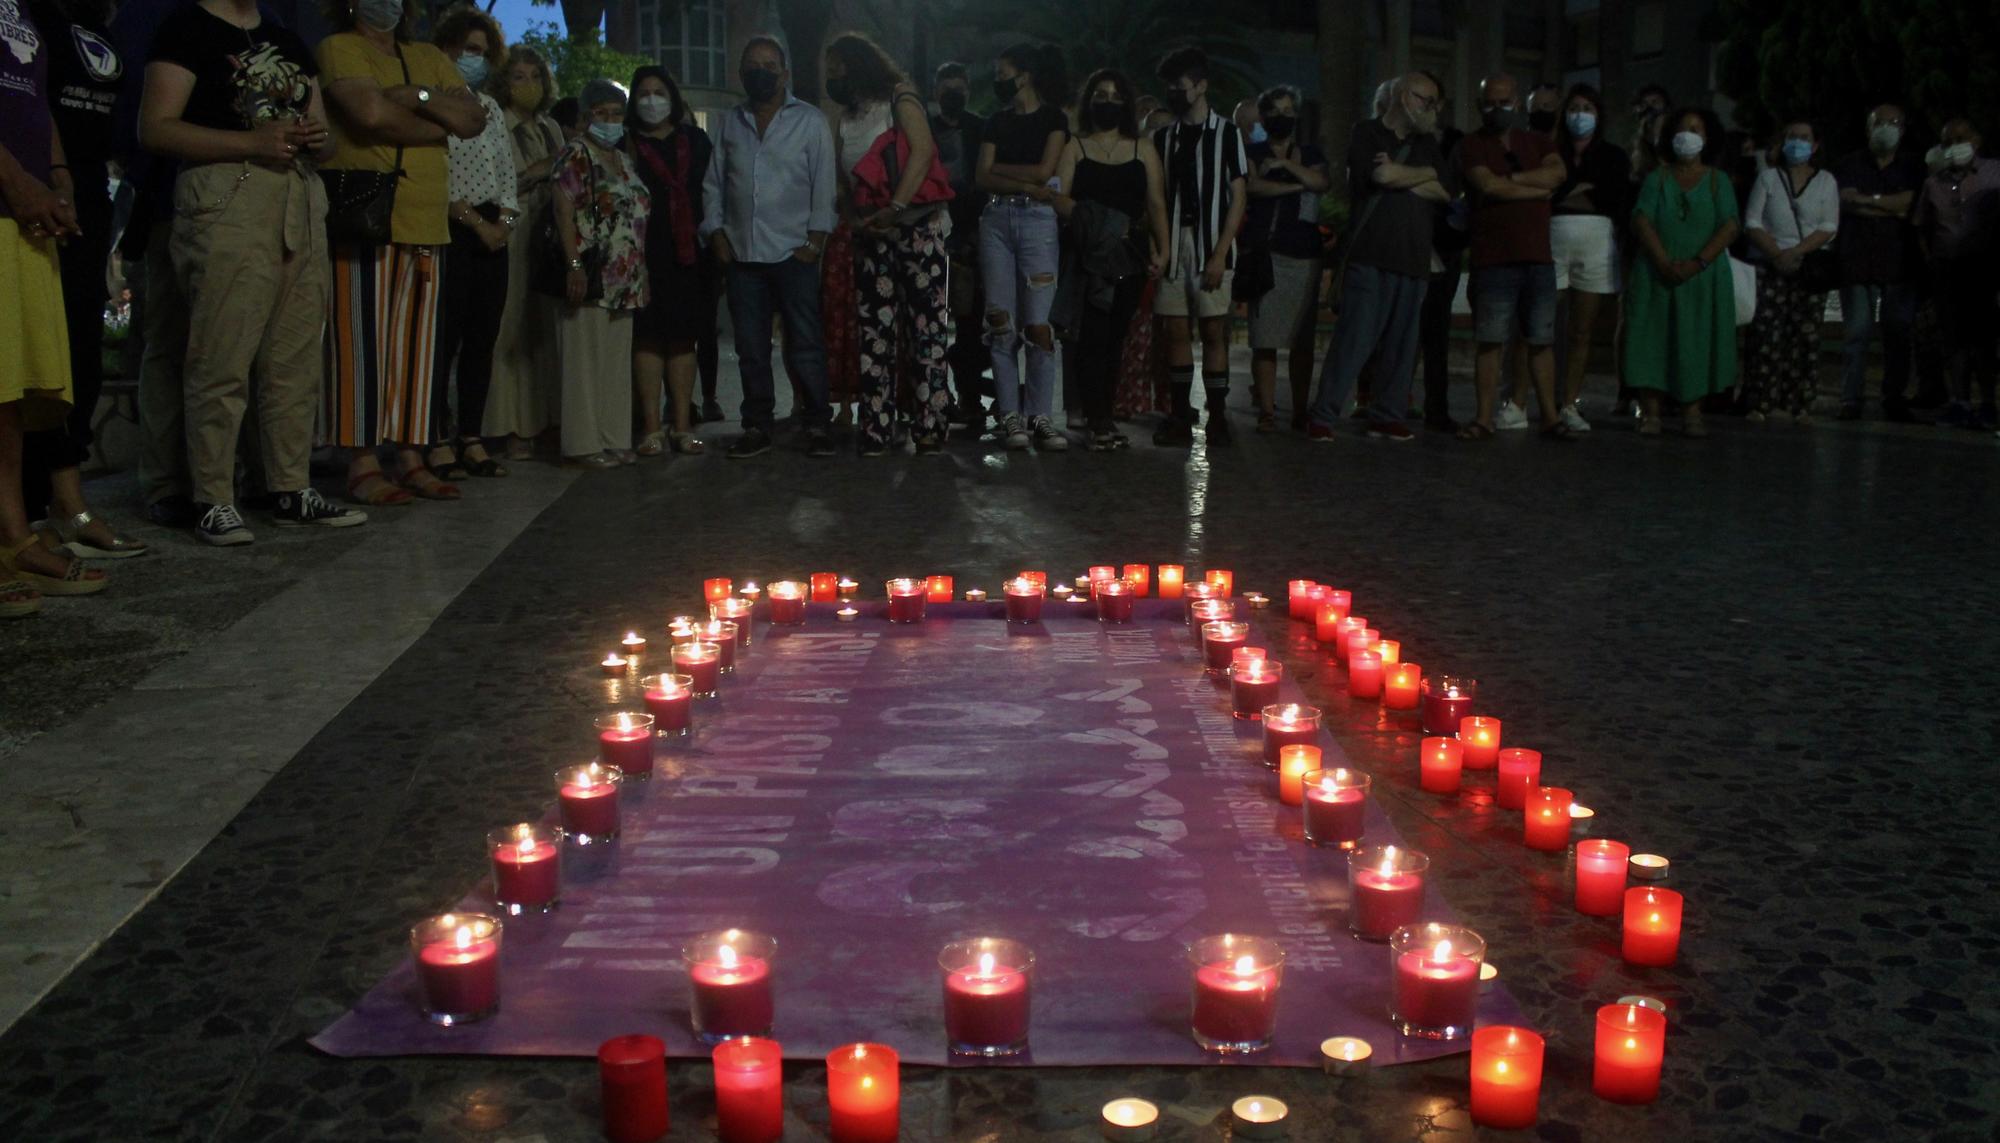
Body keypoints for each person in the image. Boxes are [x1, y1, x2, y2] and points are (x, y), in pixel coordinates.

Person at [138, 0, 369, 545]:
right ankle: (212, 496)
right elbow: (156, 127)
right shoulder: (186, 28)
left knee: (292, 358)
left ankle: (290, 486)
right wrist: (250, 142)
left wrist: (318, 137)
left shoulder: (286, 39)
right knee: (220, 355)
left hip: (298, 200)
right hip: (228, 195)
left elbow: (329, 137)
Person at [317, 0, 488, 504]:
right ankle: (363, 462)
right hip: (366, 217)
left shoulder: (428, 56)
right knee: (361, 345)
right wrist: (435, 116)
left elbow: (472, 120)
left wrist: (411, 96)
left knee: (416, 351)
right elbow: (368, 114)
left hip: (425, 220)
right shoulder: (339, 47)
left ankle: (412, 456)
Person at [22, 0, 147, 557]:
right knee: (43, 353)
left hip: (92, 190)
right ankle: (37, 507)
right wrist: (53, 175)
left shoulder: (100, 19)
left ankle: (67, 504)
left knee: (80, 351)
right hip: (38, 186)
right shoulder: (30, 12)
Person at [2, 0, 106, 613]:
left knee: (10, 388)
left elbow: (29, 95)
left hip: (25, 212)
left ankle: (12, 533)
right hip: (9, 196)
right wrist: (15, 179)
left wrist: (58, 174)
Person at [701, 34, 838, 459]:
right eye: (751, 65)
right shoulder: (729, 122)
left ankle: (816, 423)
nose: (759, 72)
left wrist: (816, 241)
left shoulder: (809, 121)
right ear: (742, 73)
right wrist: (717, 233)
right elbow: (713, 185)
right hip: (743, 255)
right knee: (751, 349)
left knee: (805, 344)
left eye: (768, 65)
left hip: (794, 252)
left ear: (784, 73)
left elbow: (824, 187)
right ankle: (757, 425)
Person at [825, 32, 953, 456]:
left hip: (916, 228)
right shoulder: (847, 118)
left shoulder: (901, 98)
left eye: (837, 68)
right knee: (875, 335)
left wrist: (895, 208)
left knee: (926, 331)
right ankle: (877, 427)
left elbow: (921, 152)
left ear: (858, 64)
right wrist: (857, 219)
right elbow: (846, 181)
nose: (832, 77)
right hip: (872, 235)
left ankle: (929, 424)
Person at [1305, 72, 1449, 441]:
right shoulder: (1366, 132)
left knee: (1403, 345)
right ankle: (1323, 415)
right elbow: (1379, 176)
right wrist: (1420, 177)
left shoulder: (1428, 143)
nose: (1430, 108)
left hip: (1414, 258)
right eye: (1424, 99)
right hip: (1370, 255)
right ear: (1403, 97)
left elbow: (1446, 189)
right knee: (1355, 339)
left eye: (1435, 102)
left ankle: (1388, 414)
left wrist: (1404, 172)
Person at [1053, 67, 1167, 451]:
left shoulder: (1143, 149)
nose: (1108, 103)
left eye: (1116, 97)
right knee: (1092, 338)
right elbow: (1060, 197)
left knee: (1116, 337)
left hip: (1129, 257)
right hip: (1090, 258)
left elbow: (1155, 203)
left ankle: (1104, 414)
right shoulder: (1075, 147)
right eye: (1100, 95)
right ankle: (1098, 419)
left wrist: (1160, 249)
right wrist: (1097, 222)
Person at [1456, 72, 1571, 440]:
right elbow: (1487, 185)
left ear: (1518, 103)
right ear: (1480, 105)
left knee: (1541, 340)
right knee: (1490, 340)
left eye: (1504, 102)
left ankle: (1551, 417)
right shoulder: (1472, 144)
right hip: (1493, 258)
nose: (1497, 108)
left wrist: (1513, 181)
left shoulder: (1536, 141)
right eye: (1490, 102)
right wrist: (1536, 190)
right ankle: (1484, 418)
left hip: (1537, 258)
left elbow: (1558, 174)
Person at [428, 5, 517, 479]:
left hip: (492, 232)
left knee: (483, 342)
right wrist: (474, 224)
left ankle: (471, 437)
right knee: (445, 341)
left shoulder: (490, 109)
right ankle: (436, 438)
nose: (474, 59)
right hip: (450, 229)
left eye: (481, 52)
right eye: (466, 49)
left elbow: (506, 176)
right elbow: (433, 175)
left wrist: (502, 222)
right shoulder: (432, 104)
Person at [1150, 46, 1247, 447]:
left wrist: (1221, 252)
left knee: (1212, 330)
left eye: (1181, 83)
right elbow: (1155, 196)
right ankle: (1179, 416)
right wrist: (1160, 248)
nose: (1175, 91)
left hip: (1209, 243)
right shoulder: (1162, 138)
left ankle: (1218, 417)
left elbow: (1238, 195)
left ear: (1201, 85)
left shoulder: (1227, 133)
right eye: (1170, 84)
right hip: (1174, 243)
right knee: (1175, 329)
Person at [550, 78, 649, 466]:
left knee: (613, 361)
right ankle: (583, 442)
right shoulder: (575, 155)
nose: (610, 120)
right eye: (601, 113)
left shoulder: (623, 159)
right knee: (583, 360)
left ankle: (612, 435)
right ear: (586, 116)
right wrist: (573, 263)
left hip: (625, 275)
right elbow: (562, 212)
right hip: (590, 270)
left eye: (616, 113)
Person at [975, 42, 1069, 451]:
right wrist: (1026, 183)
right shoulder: (995, 121)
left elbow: (1047, 170)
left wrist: (1003, 170)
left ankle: (1040, 416)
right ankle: (1009, 415)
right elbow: (983, 176)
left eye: (1003, 72)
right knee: (1000, 323)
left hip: (1037, 223)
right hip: (997, 220)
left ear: (1025, 75)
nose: (999, 80)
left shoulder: (1053, 119)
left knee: (1039, 325)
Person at [1624, 107, 1739, 436]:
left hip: (1703, 278)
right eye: (1683, 128)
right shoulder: (1656, 179)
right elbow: (1642, 219)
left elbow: (1729, 225)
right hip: (1656, 275)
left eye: (1697, 129)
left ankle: (1693, 411)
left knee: (1697, 340)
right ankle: (1651, 411)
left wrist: (1697, 262)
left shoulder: (1719, 181)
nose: (1689, 134)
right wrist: (1663, 261)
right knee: (1651, 338)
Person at [625, 63, 711, 456]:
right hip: (640, 253)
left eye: (659, 92)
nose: (652, 101)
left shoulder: (694, 140)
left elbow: (711, 191)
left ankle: (681, 424)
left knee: (682, 339)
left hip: (687, 252)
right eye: (643, 93)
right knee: (647, 339)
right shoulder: (625, 144)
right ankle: (651, 428)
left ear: (673, 98)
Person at [482, 43, 563, 461]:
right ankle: (508, 426)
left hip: (548, 233)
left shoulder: (550, 126)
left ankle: (543, 418)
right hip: (513, 229)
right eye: (518, 77)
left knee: (543, 328)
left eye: (535, 76)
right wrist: (540, 170)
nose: (528, 85)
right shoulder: (496, 124)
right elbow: (497, 182)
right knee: (510, 325)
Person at [1241, 84, 1328, 433]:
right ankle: (1266, 410)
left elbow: (1321, 182)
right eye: (1275, 111)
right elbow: (1251, 186)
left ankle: (1299, 410)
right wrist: (1295, 183)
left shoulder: (1309, 152)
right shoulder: (1253, 150)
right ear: (1263, 116)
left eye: (1288, 110)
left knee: (1301, 342)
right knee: (1264, 338)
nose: (1282, 117)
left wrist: (1285, 167)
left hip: (1304, 255)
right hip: (1266, 252)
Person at [1831, 104, 1924, 421]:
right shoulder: (1849, 163)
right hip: (1857, 260)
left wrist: (1867, 201)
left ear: (1903, 128)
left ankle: (1894, 398)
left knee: (1898, 333)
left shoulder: (1912, 165)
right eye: (1880, 122)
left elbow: (1910, 205)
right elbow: (1845, 202)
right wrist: (1889, 206)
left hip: (1900, 262)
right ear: (1868, 127)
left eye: (1894, 122)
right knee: (1856, 332)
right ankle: (1850, 399)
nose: (1887, 127)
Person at [1743, 118, 1837, 424]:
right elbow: (1753, 221)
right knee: (1766, 335)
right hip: (1770, 266)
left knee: (1805, 337)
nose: (1798, 142)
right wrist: (1776, 254)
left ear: (1816, 145)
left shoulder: (1826, 181)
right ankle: (1761, 401)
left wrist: (1796, 252)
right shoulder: (1769, 179)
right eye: (1792, 137)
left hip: (1808, 267)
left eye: (1805, 137)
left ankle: (1800, 403)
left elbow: (1828, 226)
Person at [1548, 83, 1630, 431]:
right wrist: (1580, 191)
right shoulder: (1550, 152)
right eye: (1574, 107)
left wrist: (1570, 193)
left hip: (1597, 244)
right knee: (1545, 324)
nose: (1580, 115)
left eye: (1588, 108)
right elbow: (1548, 194)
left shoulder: (1613, 156)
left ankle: (1569, 402)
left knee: (1582, 329)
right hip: (1552, 240)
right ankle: (1540, 397)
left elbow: (1613, 198)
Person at [1914, 120, 1999, 430]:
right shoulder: (1934, 182)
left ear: (1976, 140)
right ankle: (1960, 402)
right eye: (1948, 141)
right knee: (1954, 340)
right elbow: (1922, 226)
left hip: (1986, 269)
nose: (1955, 146)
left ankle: (1988, 403)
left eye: (1961, 139)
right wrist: (1932, 261)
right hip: (1948, 270)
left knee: (1984, 341)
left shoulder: (1994, 173)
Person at [931, 61, 987, 436]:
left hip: (971, 234)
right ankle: (933, 397)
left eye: (959, 87)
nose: (954, 93)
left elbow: (982, 180)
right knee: (931, 322)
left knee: (970, 323)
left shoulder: (980, 128)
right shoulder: (927, 129)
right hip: (933, 228)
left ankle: (969, 396)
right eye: (947, 87)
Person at [1416, 72, 1466, 432]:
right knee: (1399, 329)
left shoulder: (1457, 142)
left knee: (1437, 331)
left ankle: (1437, 408)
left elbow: (1455, 190)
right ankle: (1384, 403)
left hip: (1444, 245)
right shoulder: (1405, 139)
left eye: (1434, 102)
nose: (1428, 108)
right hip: (1408, 242)